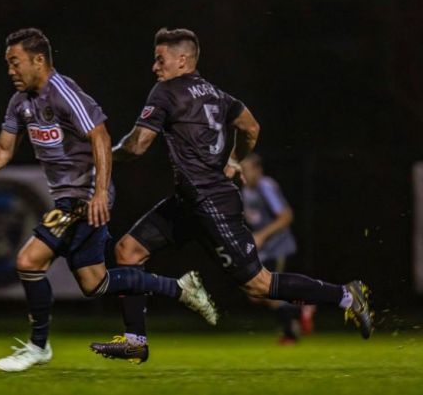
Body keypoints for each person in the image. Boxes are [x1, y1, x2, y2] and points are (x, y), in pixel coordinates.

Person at [90, 28, 373, 363]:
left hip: (211, 204)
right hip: (189, 202)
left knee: (259, 285)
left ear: (182, 60)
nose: (155, 66)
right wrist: (234, 159)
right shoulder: (217, 94)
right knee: (128, 250)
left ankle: (345, 295)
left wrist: (105, 152)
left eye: (160, 58)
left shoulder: (166, 92)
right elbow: (251, 127)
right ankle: (136, 340)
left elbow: (138, 145)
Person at [0, 28, 218, 372]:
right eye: (8, 64)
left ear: (39, 60)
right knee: (96, 283)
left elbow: (101, 135)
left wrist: (98, 193)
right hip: (70, 198)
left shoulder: (64, 92)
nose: (10, 71)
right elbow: (3, 150)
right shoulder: (20, 103)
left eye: (15, 62)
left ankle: (38, 346)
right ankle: (180, 288)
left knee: (28, 261)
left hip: (82, 199)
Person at [241, 153, 315, 344]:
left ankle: (290, 333)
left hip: (278, 247)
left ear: (257, 169)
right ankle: (302, 309)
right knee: (257, 293)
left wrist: (262, 235)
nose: (243, 173)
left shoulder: (266, 186)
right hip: (264, 250)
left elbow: (286, 216)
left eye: (247, 169)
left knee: (269, 290)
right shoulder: (245, 192)